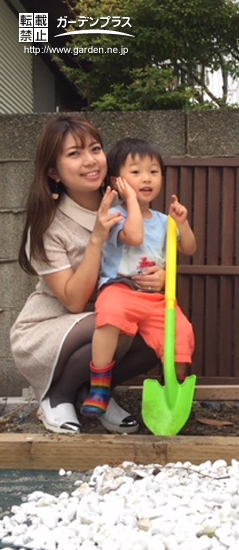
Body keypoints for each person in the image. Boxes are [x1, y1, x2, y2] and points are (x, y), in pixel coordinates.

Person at [10, 115, 166, 434]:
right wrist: (97, 237)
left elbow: (147, 254)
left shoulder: (126, 202)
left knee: (160, 331)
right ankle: (59, 396)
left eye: (95, 149)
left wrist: (159, 275)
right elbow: (74, 300)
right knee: (115, 319)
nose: (90, 160)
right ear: (53, 172)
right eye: (74, 153)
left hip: (107, 313)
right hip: (49, 327)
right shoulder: (48, 228)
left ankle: (95, 392)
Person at [80, 138, 196, 417]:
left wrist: (183, 223)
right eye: (136, 172)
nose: (147, 178)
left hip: (156, 299)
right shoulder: (115, 215)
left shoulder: (164, 221)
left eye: (154, 172)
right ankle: (100, 386)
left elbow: (189, 249)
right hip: (120, 290)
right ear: (118, 180)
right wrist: (130, 200)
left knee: (183, 333)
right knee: (110, 317)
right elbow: (135, 236)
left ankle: (173, 392)